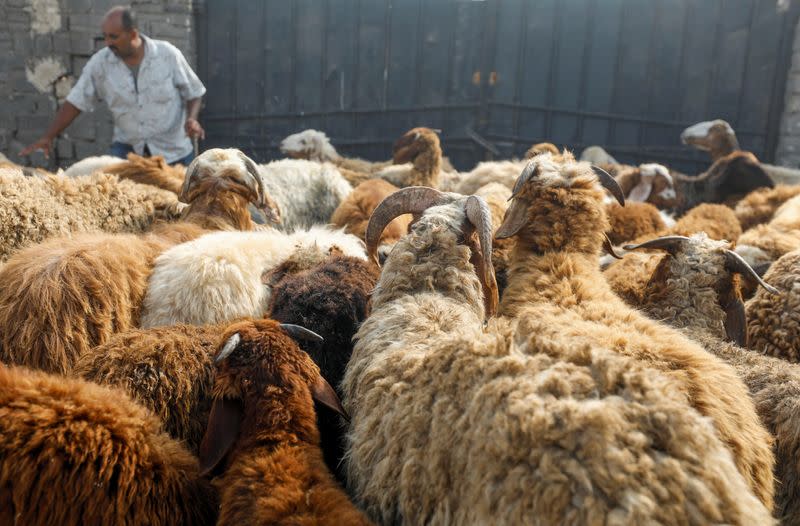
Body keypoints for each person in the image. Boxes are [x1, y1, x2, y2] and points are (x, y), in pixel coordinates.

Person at [21, 6, 206, 166]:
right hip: (128, 152)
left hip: (174, 153)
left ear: (133, 34)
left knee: (179, 204)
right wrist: (48, 136)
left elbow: (194, 92)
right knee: (121, 202)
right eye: (105, 37)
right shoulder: (100, 64)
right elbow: (76, 102)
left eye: (114, 37)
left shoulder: (167, 55)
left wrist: (192, 119)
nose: (108, 42)